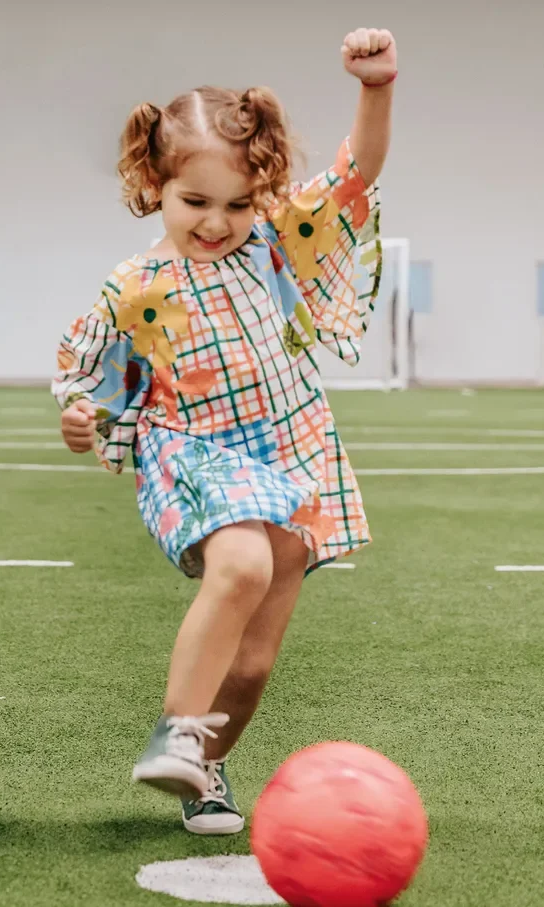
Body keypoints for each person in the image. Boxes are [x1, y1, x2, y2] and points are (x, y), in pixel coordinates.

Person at [53, 28, 395, 835]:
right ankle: (175, 727)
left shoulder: (276, 241)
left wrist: (376, 88)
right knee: (237, 564)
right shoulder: (134, 286)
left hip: (293, 447)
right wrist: (81, 418)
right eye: (195, 201)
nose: (218, 221)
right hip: (196, 450)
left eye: (238, 203)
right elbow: (90, 374)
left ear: (262, 192)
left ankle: (202, 764)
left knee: (251, 663)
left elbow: (358, 174)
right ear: (154, 184)